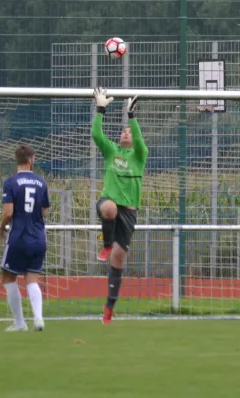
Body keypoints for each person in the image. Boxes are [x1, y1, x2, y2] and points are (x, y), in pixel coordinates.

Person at [92, 87, 149, 324]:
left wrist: (131, 116)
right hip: (109, 203)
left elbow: (140, 141)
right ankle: (105, 245)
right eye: (123, 131)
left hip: (129, 213)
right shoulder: (111, 152)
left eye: (129, 131)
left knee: (118, 259)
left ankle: (109, 306)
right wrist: (100, 109)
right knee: (109, 209)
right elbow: (97, 135)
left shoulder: (139, 155)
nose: (125, 133)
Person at [0, 144, 50, 332]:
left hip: (19, 237)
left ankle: (20, 323)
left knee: (7, 276)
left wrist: (2, 227)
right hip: (38, 238)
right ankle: (38, 319)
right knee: (32, 279)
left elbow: (8, 212)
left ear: (17, 160)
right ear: (30, 160)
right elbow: (44, 211)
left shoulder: (11, 182)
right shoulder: (42, 183)